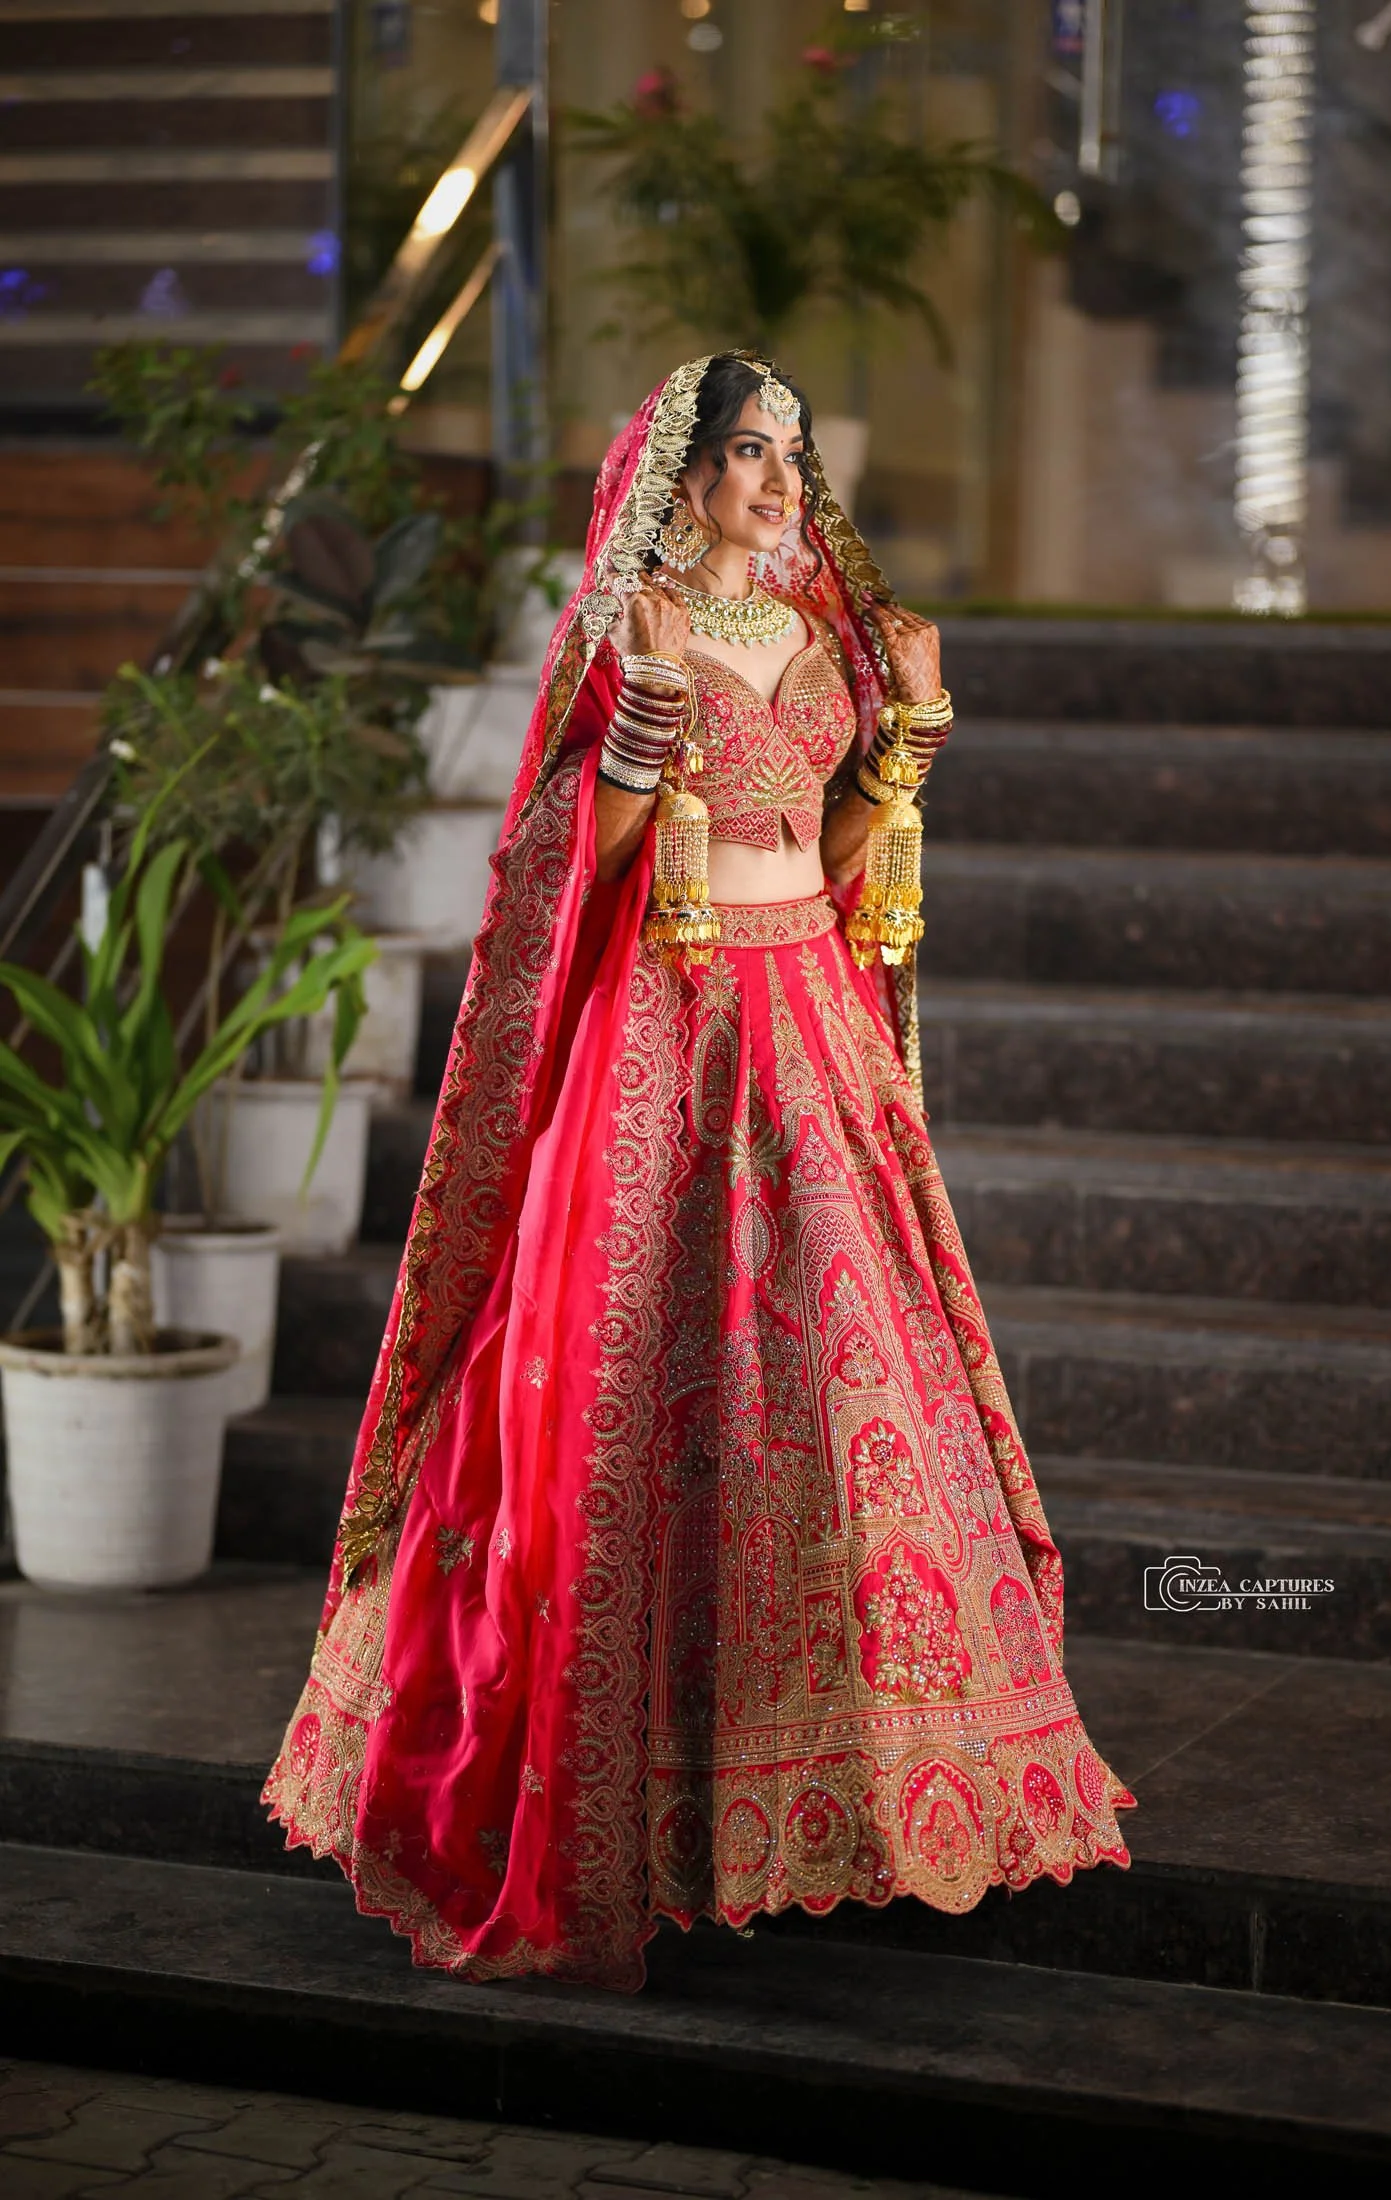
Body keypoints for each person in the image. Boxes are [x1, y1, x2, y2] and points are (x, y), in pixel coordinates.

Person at [264, 351, 1133, 1991]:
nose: (779, 481)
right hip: (669, 1030)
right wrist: (648, 717)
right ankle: (642, 1795)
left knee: (847, 1381)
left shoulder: (823, 638)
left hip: (809, 1021)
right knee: (647, 1376)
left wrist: (911, 743)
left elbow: (836, 848)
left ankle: (874, 1792)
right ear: (680, 470)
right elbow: (560, 870)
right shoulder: (625, 634)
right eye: (748, 450)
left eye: (791, 453)